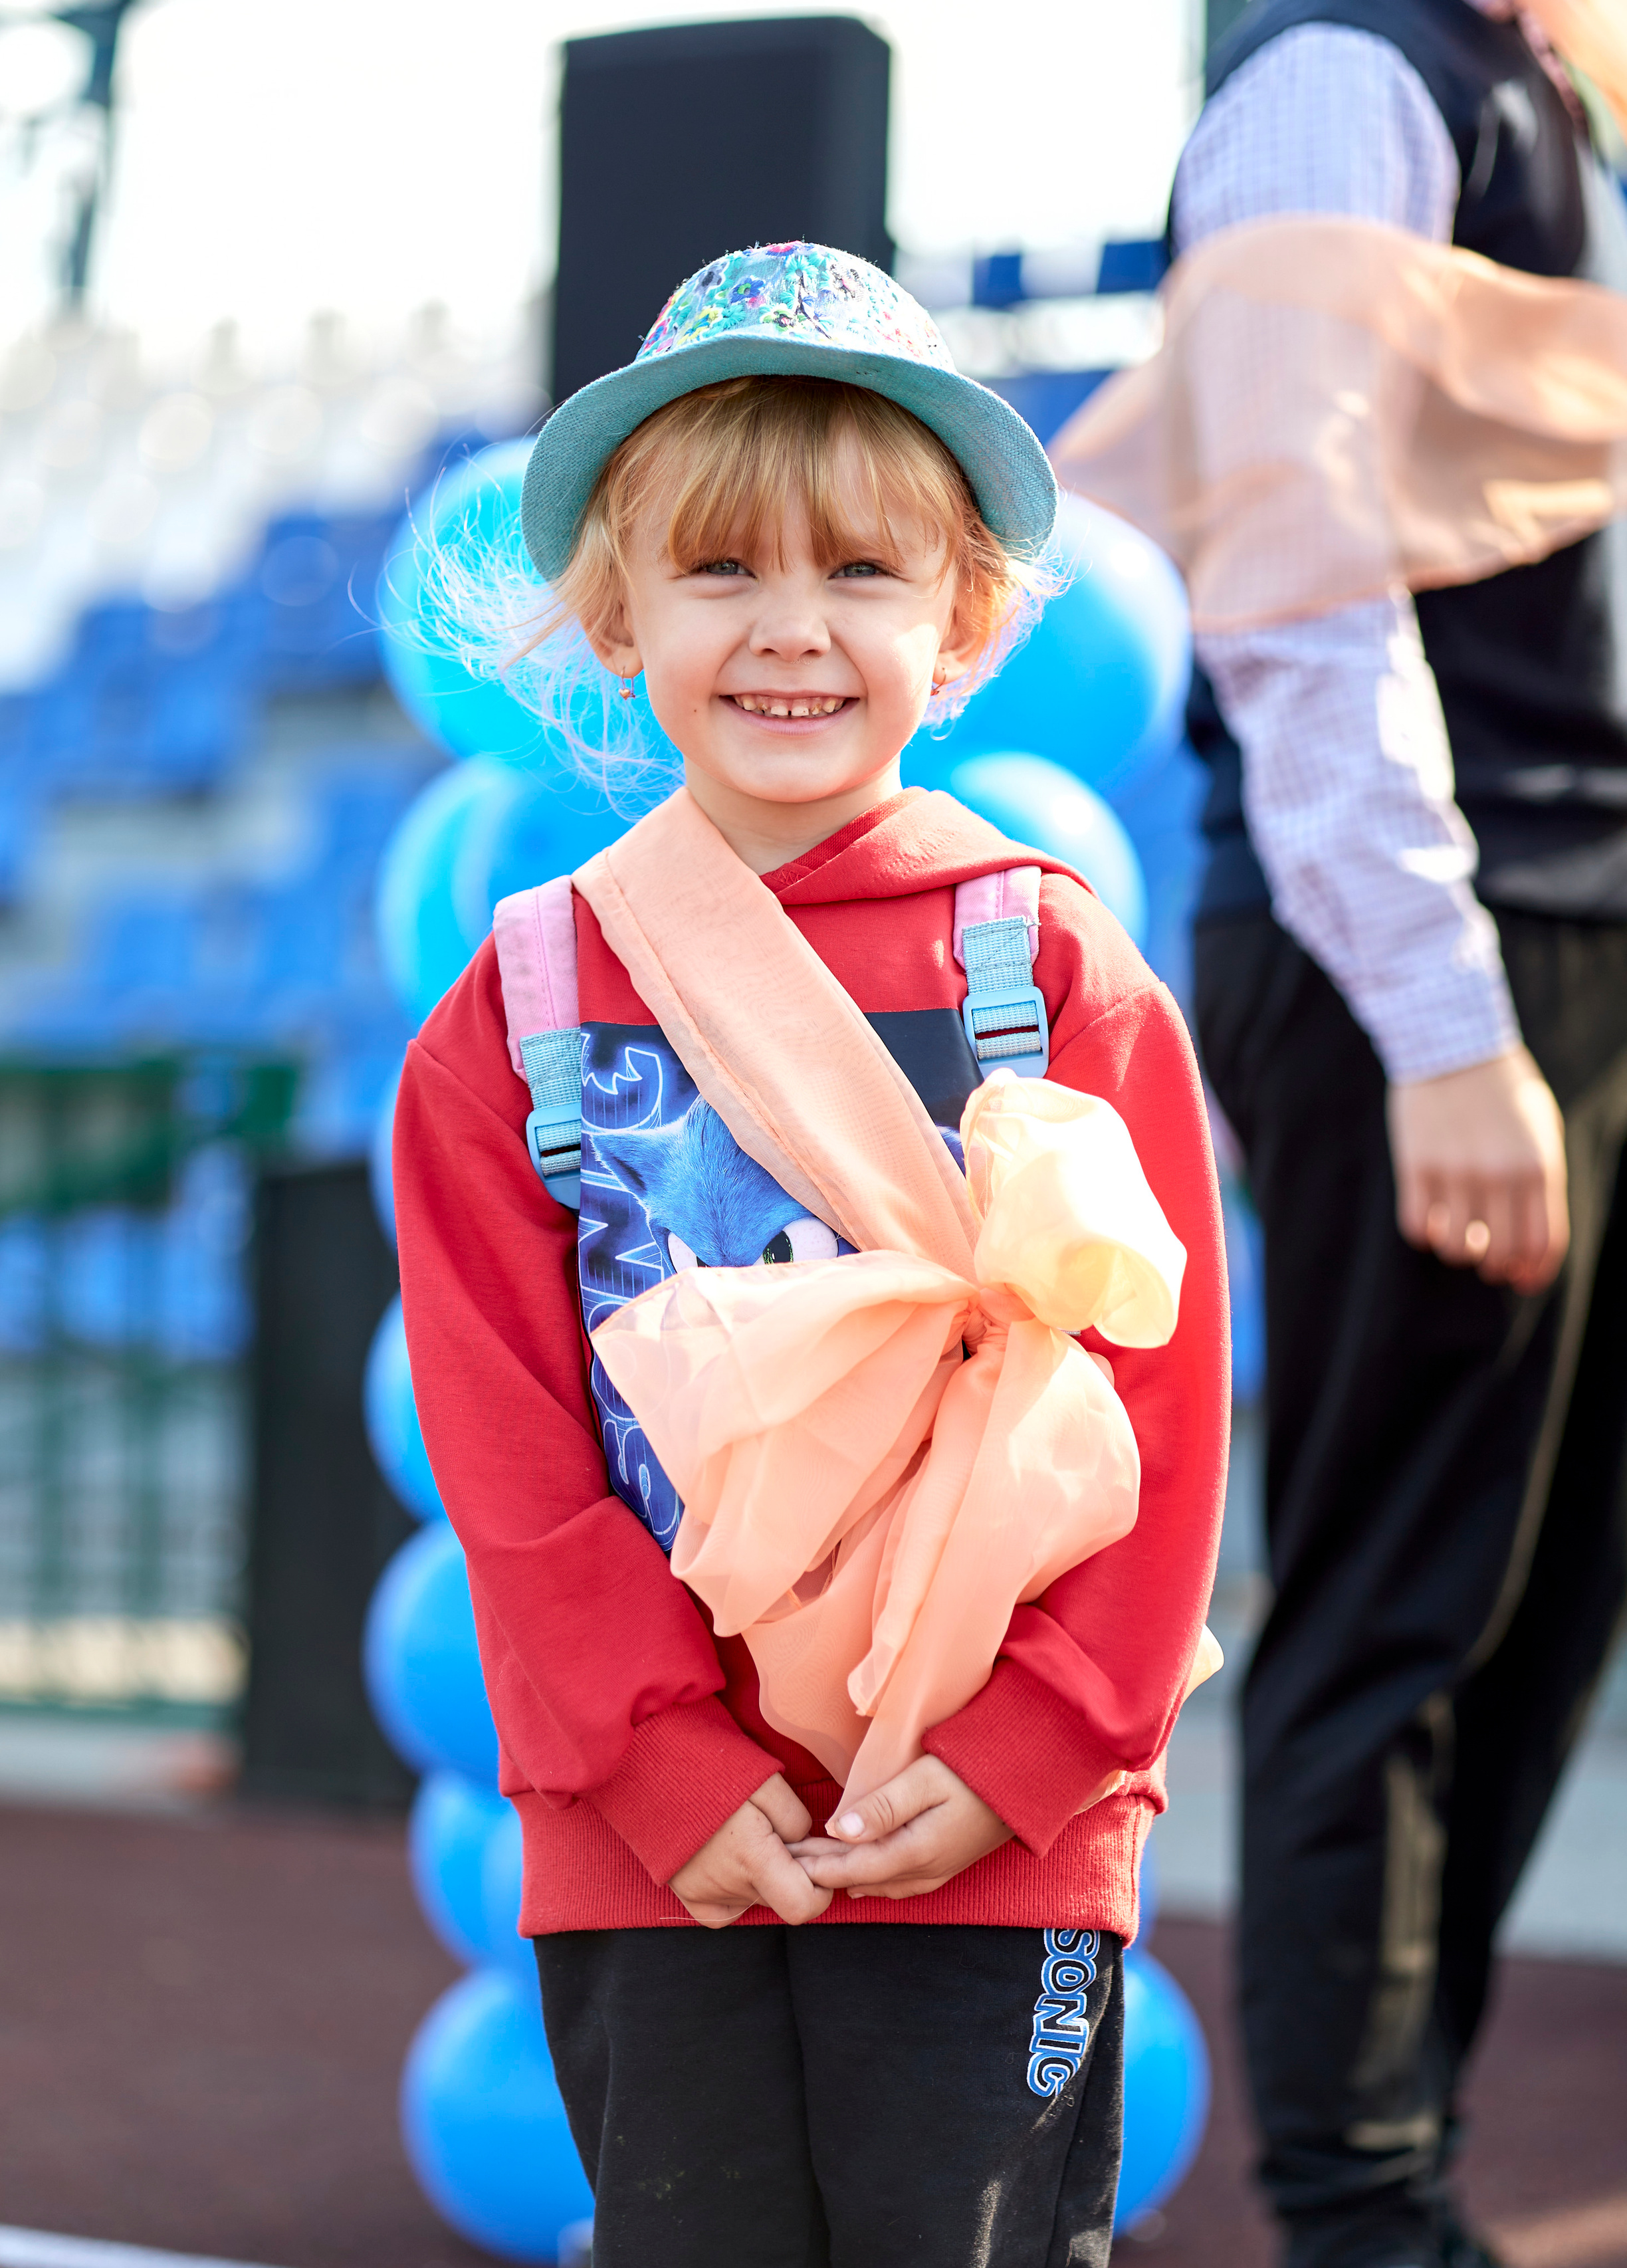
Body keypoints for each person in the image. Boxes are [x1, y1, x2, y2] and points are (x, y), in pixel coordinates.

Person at [393, 241, 1230, 2267]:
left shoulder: (1057, 970)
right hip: (658, 1836)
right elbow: (509, 1460)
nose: (794, 634)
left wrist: (1036, 1747)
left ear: (963, 620)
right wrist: (664, 1764)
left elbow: (1156, 1412)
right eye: (723, 575)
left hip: (995, 1829)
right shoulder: (514, 1014)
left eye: (862, 573)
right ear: (614, 612)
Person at [1162, 8, 1627, 2267]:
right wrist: (1443, 1020)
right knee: (1405, 1601)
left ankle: (1398, 2176)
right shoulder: (1354, 69)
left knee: (1542, 1609)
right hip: (1429, 954)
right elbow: (1295, 569)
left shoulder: (1558, 81)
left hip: (1576, 931)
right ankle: (1362, 2216)